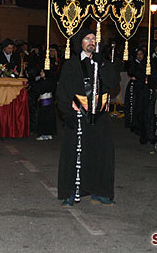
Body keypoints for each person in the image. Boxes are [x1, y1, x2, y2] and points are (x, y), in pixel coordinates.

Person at [56, 28, 120, 207]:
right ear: (80, 43)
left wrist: (103, 65)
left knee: (101, 155)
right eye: (87, 39)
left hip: (100, 118)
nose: (91, 42)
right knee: (75, 156)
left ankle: (100, 192)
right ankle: (71, 192)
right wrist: (68, 113)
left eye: (94, 39)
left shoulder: (103, 63)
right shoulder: (71, 65)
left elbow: (114, 83)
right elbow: (62, 91)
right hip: (78, 116)